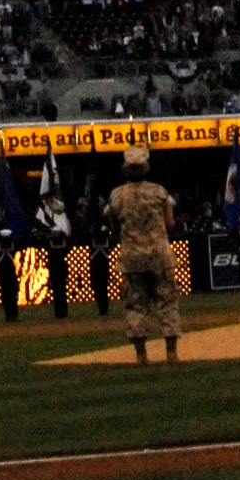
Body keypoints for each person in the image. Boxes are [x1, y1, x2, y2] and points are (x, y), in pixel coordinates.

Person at [107, 147, 181, 366]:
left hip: (131, 258)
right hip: (159, 255)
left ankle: (141, 355)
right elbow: (169, 223)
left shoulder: (117, 194)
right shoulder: (159, 192)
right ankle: (171, 353)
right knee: (167, 302)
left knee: (135, 306)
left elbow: (112, 221)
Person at [88, 227, 111, 319]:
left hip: (103, 259)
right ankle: (101, 306)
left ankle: (104, 308)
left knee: (103, 284)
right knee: (97, 284)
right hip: (95, 258)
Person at [0, 239, 20, 324]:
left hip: (5, 278)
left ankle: (10, 315)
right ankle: (12, 315)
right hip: (9, 278)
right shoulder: (10, 253)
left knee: (8, 297)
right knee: (10, 297)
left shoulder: (0, 254)